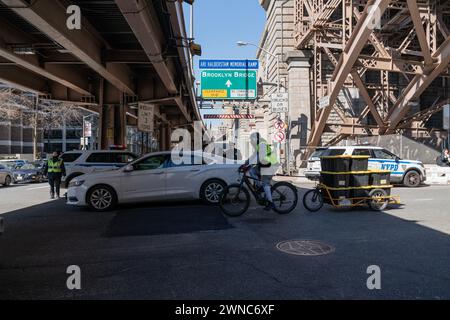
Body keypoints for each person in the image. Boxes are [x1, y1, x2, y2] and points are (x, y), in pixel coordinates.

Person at [243, 132, 280, 211]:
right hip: (265, 164)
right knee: (252, 170)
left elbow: (259, 157)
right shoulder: (258, 145)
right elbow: (254, 156)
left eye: (251, 139)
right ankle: (260, 187)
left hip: (271, 164)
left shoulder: (262, 144)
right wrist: (245, 164)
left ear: (255, 138)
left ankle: (270, 203)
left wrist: (249, 164)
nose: (251, 141)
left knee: (265, 182)